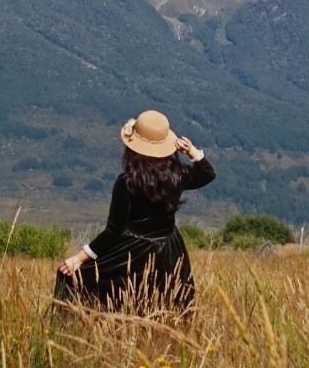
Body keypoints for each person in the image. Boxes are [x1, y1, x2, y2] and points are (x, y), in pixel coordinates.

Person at [54, 109, 215, 313]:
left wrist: (78, 258)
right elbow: (208, 174)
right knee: (165, 304)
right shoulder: (177, 176)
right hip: (170, 250)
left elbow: (113, 232)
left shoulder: (127, 182)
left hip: (134, 251)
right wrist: (191, 150)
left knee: (68, 278)